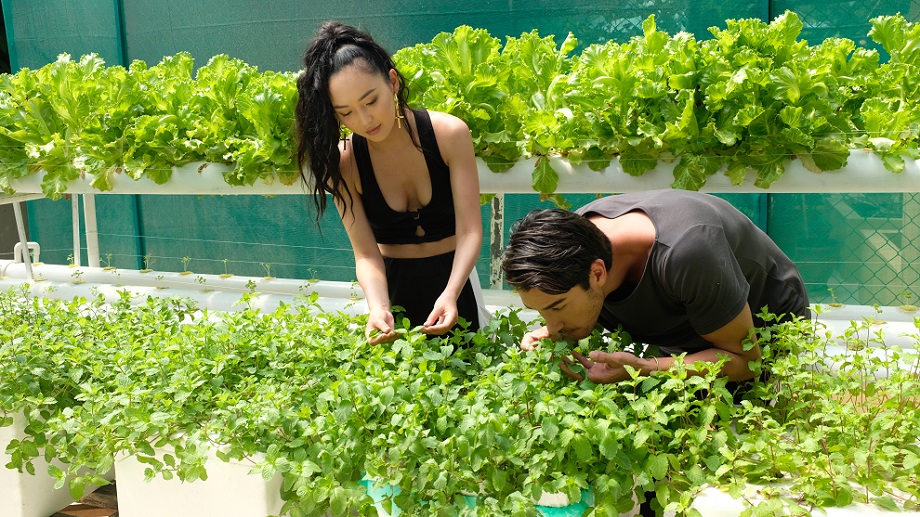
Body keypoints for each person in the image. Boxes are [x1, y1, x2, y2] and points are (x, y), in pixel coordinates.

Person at [295, 21, 486, 345]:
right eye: (346, 113)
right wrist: (378, 308)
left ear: (393, 82)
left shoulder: (449, 134)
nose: (365, 120)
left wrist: (450, 293)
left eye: (371, 101)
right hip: (393, 292)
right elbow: (366, 255)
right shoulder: (343, 163)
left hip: (457, 282)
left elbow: (470, 231)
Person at [501, 189, 810, 384]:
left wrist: (646, 367)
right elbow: (572, 304)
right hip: (685, 328)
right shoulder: (572, 247)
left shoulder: (687, 252)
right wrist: (552, 333)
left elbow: (746, 361)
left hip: (762, 328)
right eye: (540, 312)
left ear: (597, 274)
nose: (550, 325)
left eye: (556, 308)